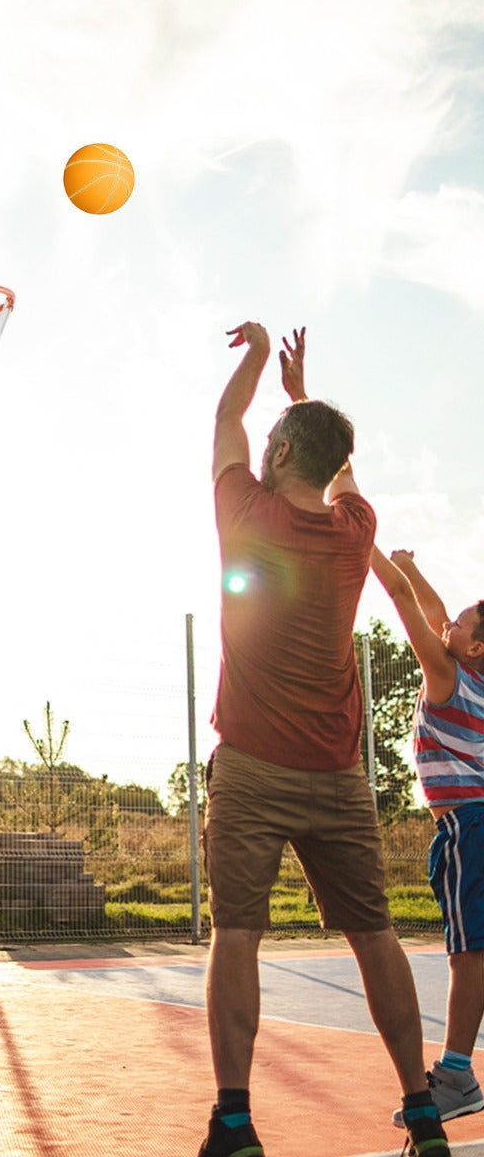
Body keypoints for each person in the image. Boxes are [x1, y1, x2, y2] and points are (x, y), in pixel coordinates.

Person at [201, 320, 450, 1157]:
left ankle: (235, 1122)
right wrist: (303, 398)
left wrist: (258, 355)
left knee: (238, 934)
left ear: (276, 454)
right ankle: (422, 1109)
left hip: (252, 769)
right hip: (339, 775)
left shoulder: (245, 510)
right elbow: (342, 474)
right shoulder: (356, 529)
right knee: (374, 935)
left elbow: (225, 422)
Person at [370, 546, 484, 1129]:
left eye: (459, 625)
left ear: (474, 648)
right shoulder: (475, 678)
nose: (447, 626)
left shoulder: (448, 678)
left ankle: (458, 1073)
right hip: (476, 823)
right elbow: (436, 612)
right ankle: (460, 1069)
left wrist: (362, 542)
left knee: (470, 953)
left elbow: (408, 605)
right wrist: (414, 568)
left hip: (469, 826)